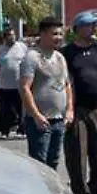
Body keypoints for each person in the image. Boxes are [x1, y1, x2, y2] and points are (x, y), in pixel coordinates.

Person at [60, 10, 97, 194]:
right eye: (90, 25)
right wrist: (69, 109)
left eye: (95, 25)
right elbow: (65, 82)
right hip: (77, 109)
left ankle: (96, 192)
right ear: (79, 28)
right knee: (77, 154)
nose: (94, 29)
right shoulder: (67, 53)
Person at [18, 16, 71, 170]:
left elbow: (67, 85)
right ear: (42, 34)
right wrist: (36, 116)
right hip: (40, 122)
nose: (59, 38)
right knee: (39, 166)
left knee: (53, 163)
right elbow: (24, 88)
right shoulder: (31, 57)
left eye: (60, 34)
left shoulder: (60, 57)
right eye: (54, 34)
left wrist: (69, 110)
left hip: (59, 121)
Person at [0, 25, 28, 138]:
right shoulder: (0, 50)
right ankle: (4, 131)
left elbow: (28, 64)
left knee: (21, 108)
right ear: (5, 37)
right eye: (9, 35)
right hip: (4, 85)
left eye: (13, 35)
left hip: (19, 85)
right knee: (5, 110)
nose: (12, 37)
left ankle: (22, 130)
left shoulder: (22, 47)